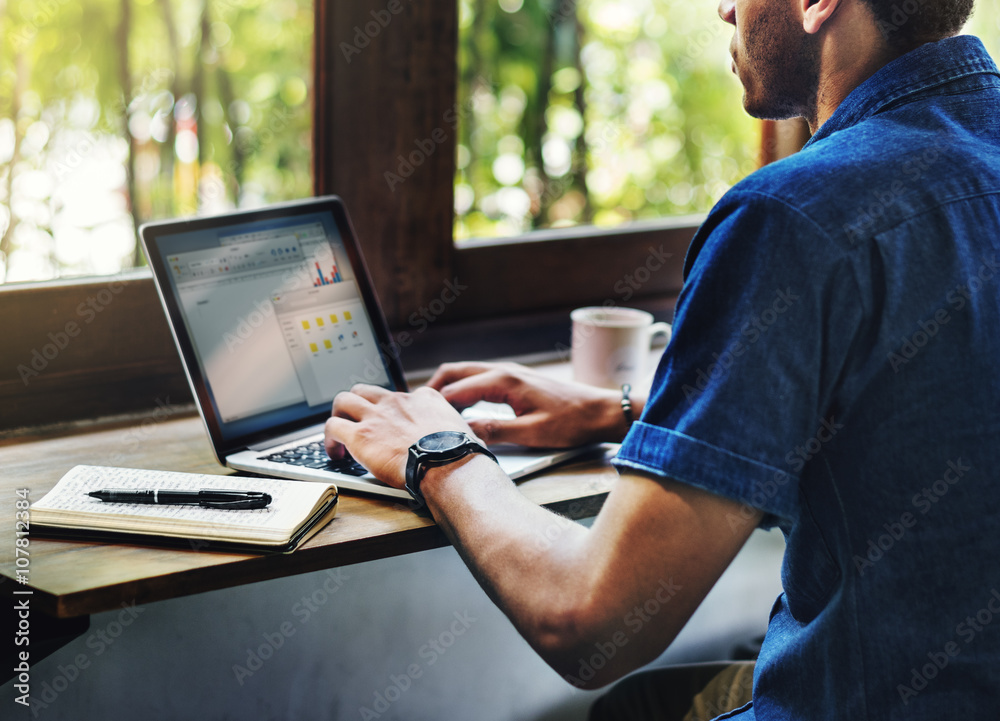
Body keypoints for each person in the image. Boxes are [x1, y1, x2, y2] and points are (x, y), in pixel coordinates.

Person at [325, 0, 1000, 717]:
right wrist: (626, 411)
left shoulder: (795, 217)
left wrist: (439, 452)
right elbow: (933, 395)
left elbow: (589, 619)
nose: (725, 9)